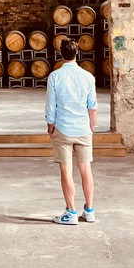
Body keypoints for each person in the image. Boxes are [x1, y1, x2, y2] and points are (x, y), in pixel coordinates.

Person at [45, 37, 98, 225]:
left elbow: (51, 106)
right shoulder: (88, 77)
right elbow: (92, 106)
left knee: (66, 171)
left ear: (61, 54)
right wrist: (92, 126)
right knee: (86, 170)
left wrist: (50, 125)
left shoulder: (55, 76)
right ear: (77, 53)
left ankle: (71, 212)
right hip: (83, 129)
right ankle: (89, 211)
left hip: (63, 129)